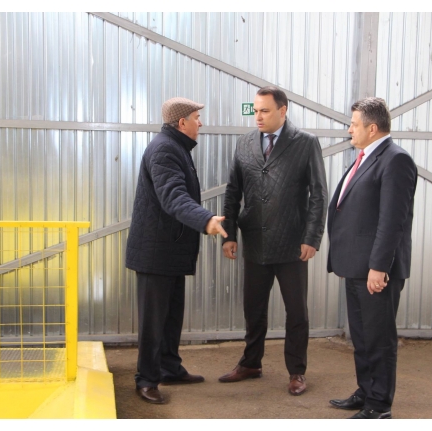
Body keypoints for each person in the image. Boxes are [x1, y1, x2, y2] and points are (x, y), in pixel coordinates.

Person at [218, 86, 328, 396]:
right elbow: (233, 191)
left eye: (264, 111)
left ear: (283, 111)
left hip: (292, 244)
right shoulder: (245, 143)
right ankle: (251, 363)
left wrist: (311, 238)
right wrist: (229, 235)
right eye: (255, 110)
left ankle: (297, 371)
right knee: (253, 309)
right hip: (254, 241)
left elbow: (318, 194)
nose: (258, 116)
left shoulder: (305, 143)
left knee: (297, 312)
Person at [125, 97, 228, 404]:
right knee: (153, 322)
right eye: (197, 117)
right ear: (182, 122)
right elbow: (173, 196)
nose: (201, 122)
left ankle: (169, 368)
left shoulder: (176, 147)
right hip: (155, 253)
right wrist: (205, 219)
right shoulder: (165, 149)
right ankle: (146, 379)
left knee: (170, 318)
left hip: (169, 251)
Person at [327, 97, 417, 419]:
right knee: (363, 336)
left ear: (372, 128)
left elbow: (392, 221)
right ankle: (366, 391)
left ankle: (379, 405)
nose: (349, 130)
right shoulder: (366, 157)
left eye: (354, 124)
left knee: (378, 338)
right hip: (356, 266)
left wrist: (378, 267)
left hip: (376, 270)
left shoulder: (395, 160)